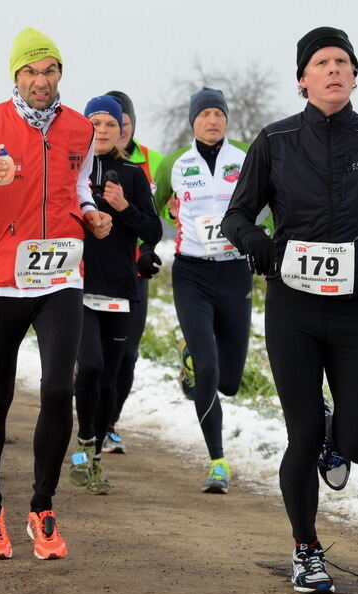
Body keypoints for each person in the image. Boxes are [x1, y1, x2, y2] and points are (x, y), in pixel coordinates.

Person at [222, 27, 358, 594]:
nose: (334, 69)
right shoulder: (276, 140)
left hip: (355, 311)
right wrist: (260, 245)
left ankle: (340, 439)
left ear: (355, 76)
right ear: (302, 80)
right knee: (302, 433)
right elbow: (236, 218)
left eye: (343, 62)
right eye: (322, 63)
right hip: (294, 311)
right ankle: (306, 549)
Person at [0, 28, 112, 560]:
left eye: (49, 70)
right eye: (30, 71)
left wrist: (91, 214)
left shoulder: (80, 129)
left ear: (60, 75)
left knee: (58, 390)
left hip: (60, 276)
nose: (40, 80)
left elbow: (78, 189)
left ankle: (43, 507)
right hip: (1, 276)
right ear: (16, 76)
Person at [153, 88, 252, 494]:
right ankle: (218, 461)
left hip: (235, 273)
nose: (212, 121)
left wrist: (273, 239)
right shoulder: (176, 163)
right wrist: (168, 212)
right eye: (204, 114)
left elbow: (277, 201)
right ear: (192, 121)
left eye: (218, 114)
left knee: (229, 379)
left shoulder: (247, 156)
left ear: (227, 120)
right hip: (191, 274)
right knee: (208, 372)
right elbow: (155, 205)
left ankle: (193, 353)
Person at [67, 95, 161, 495]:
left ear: (121, 129)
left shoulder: (132, 175)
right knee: (88, 366)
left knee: (111, 375)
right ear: (85, 127)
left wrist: (124, 207)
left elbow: (154, 232)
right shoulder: (70, 170)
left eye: (110, 123)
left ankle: (95, 453)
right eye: (95, 122)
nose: (103, 130)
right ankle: (83, 440)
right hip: (79, 284)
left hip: (121, 288)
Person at [102, 89, 166, 455]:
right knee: (92, 359)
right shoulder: (87, 159)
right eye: (110, 124)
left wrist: (147, 251)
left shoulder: (153, 162)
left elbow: (160, 217)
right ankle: (88, 422)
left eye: (123, 124)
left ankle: (110, 423)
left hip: (134, 275)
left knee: (127, 356)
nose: (118, 131)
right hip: (92, 273)